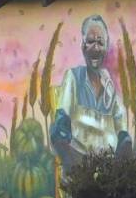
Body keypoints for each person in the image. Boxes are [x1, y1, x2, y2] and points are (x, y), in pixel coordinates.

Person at [50, 14, 131, 170]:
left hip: (109, 167)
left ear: (106, 48)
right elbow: (60, 128)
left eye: (100, 42)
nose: (95, 47)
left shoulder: (109, 84)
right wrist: (74, 167)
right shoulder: (73, 78)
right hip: (81, 165)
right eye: (90, 41)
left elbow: (123, 133)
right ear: (83, 46)